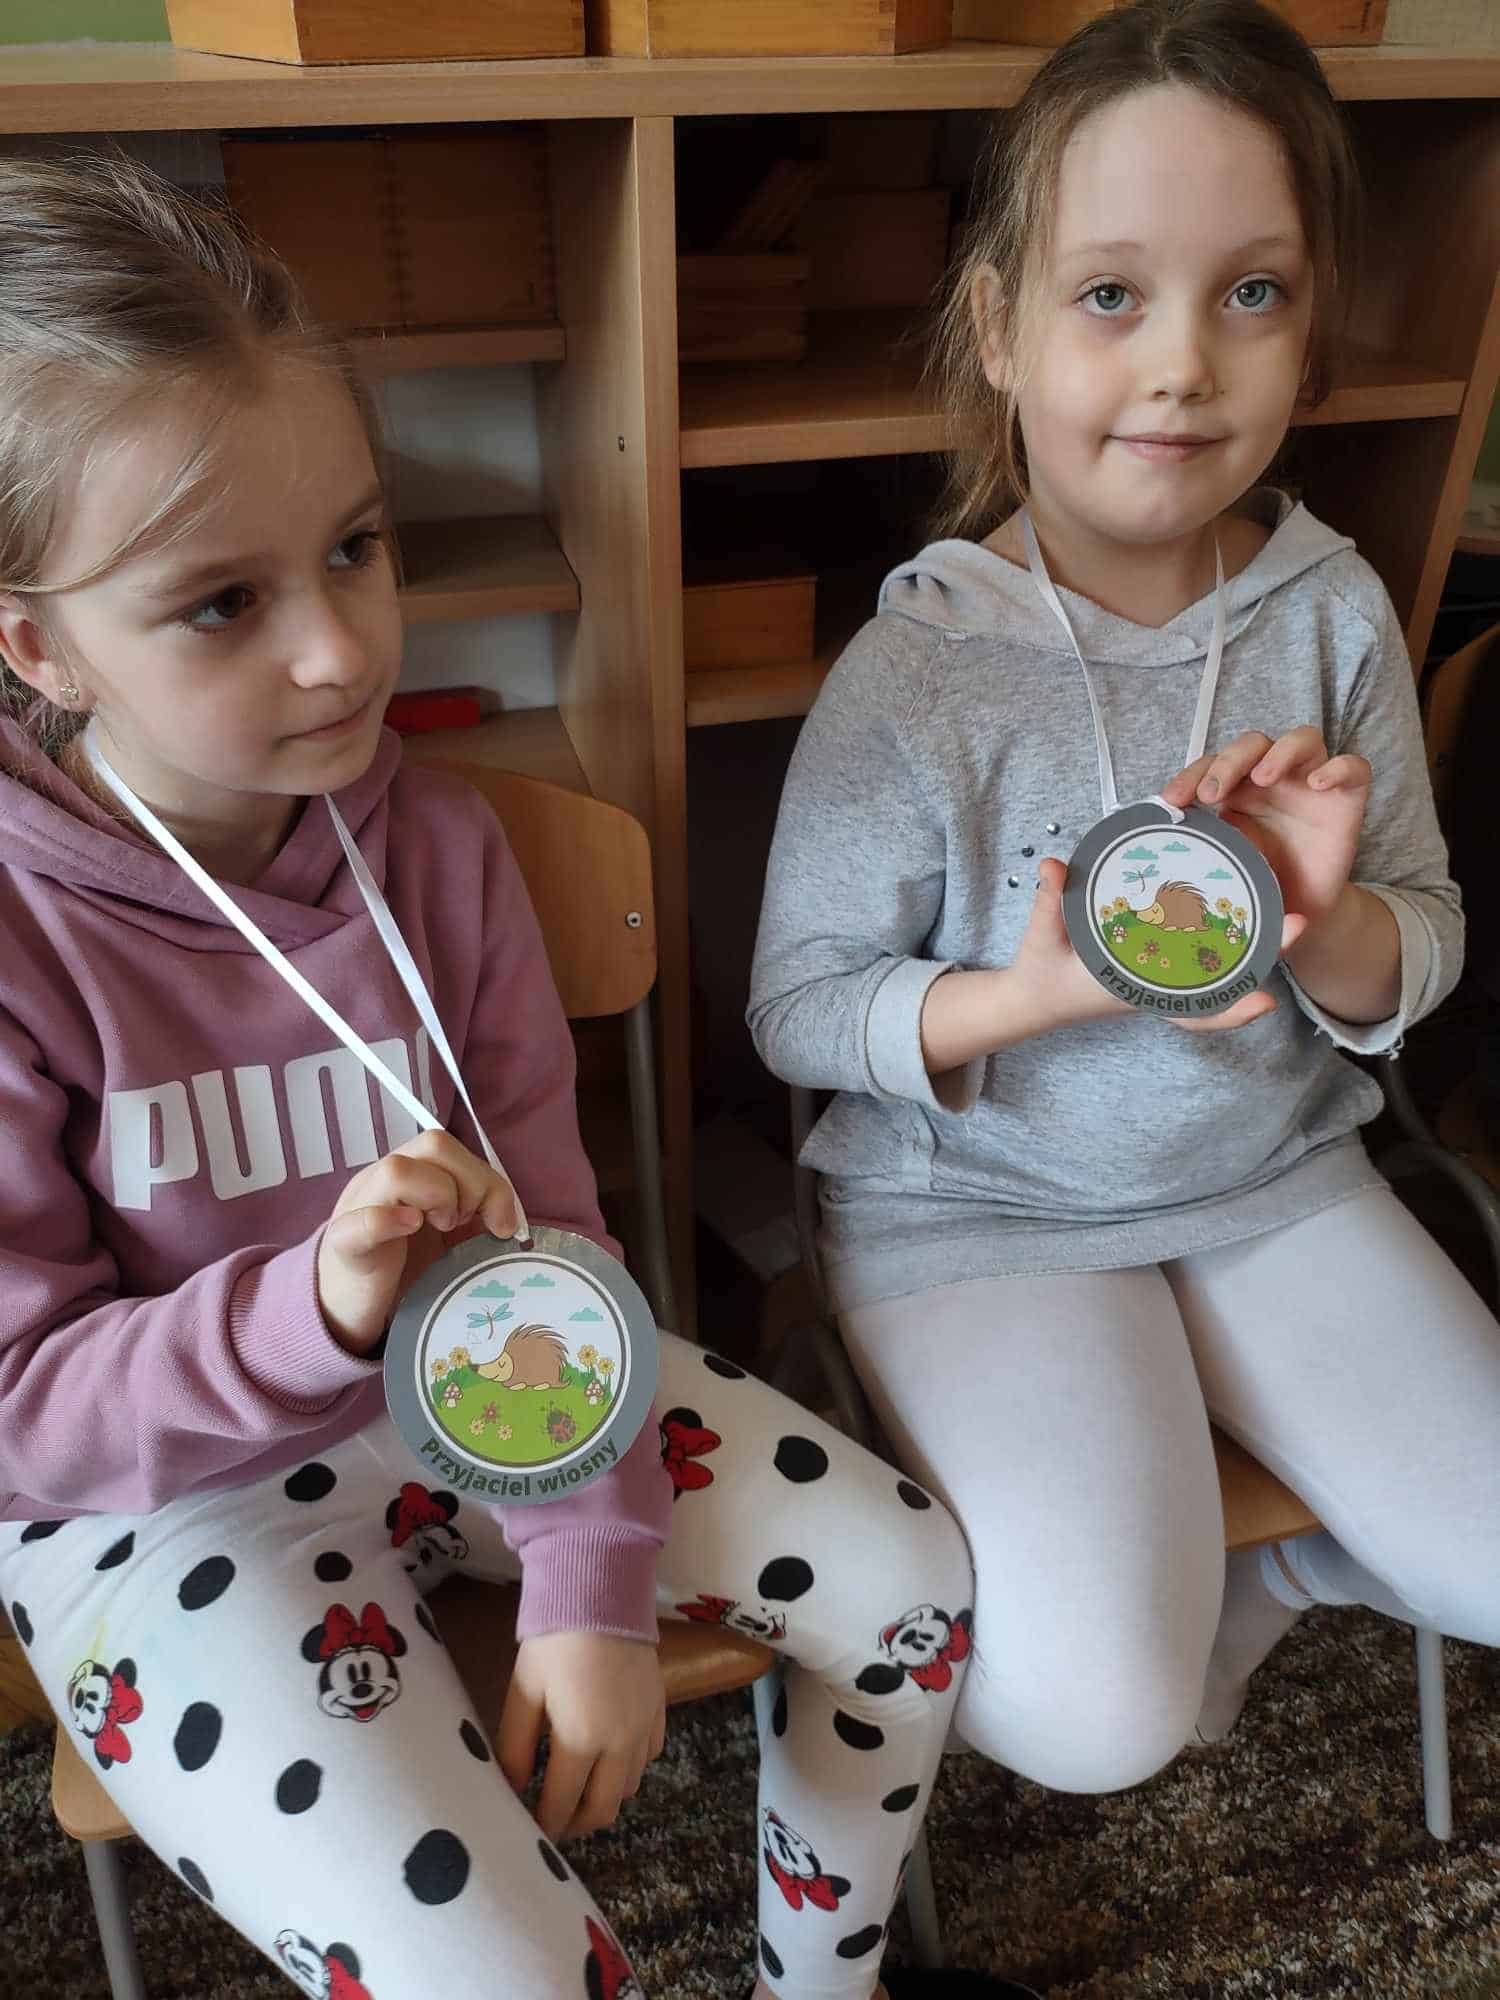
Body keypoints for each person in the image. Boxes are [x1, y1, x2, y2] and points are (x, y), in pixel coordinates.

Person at [0, 153, 1017, 2000]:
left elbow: (552, 1239)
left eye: (357, 547)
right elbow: (23, 1416)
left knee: (910, 1588)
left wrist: (588, 1573)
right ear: (35, 645)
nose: (339, 649)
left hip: (495, 1385)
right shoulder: (26, 935)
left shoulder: (439, 848)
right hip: (165, 1504)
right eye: (220, 602)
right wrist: (312, 1310)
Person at [751, 0, 1500, 1801]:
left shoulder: (1328, 613)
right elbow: (796, 1008)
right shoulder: (918, 666)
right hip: (981, 1215)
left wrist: (1325, 923)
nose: (1182, 365)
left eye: (1253, 292)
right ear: (996, 328)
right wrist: (1025, 999)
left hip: (1273, 1178)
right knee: (1096, 1721)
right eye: (1110, 294)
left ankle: (1272, 1577)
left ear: (1312, 325)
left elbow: (1426, 935)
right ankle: (1159, 1590)